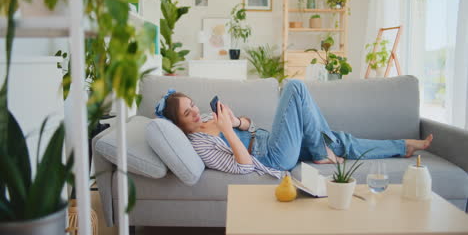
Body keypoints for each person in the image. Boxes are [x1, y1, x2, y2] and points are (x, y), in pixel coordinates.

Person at [155, 80, 433, 179]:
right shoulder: (198, 144)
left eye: (192, 104)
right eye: (186, 113)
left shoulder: (207, 114)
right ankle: (320, 150)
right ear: (178, 123)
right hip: (271, 156)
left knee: (338, 141)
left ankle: (402, 147)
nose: (195, 112)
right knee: (295, 87)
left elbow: (250, 124)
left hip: (266, 138)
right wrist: (227, 131)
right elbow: (243, 167)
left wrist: (237, 122)